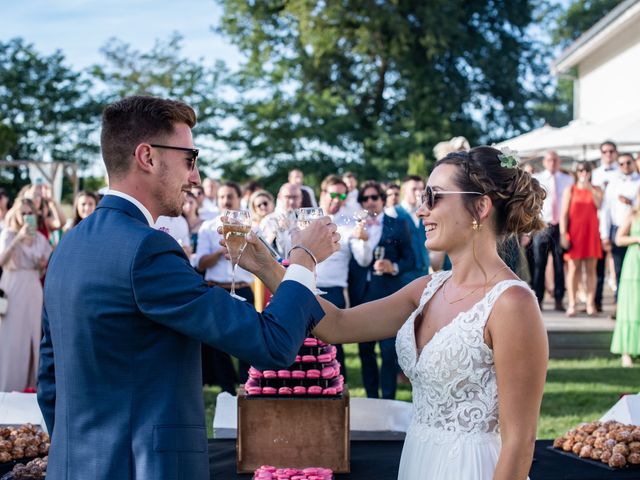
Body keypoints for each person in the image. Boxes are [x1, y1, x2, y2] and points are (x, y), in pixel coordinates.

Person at [37, 95, 340, 480]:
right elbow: (273, 345)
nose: (195, 177)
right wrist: (302, 260)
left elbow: (50, 382)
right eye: (189, 158)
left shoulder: (69, 245)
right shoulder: (146, 249)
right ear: (147, 157)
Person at [314, 146, 548, 480]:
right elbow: (335, 325)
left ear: (480, 207)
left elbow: (519, 443)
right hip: (419, 461)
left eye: (434, 197)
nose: (422, 210)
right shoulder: (427, 288)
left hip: (475, 470)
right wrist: (270, 263)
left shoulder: (512, 304)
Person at [348, 180, 414, 399]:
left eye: (374, 197)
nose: (370, 202)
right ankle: (370, 400)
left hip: (388, 297)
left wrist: (392, 266)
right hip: (362, 297)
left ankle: (388, 400)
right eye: (365, 199)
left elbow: (410, 259)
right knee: (365, 352)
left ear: (383, 200)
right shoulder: (355, 227)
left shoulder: (398, 224)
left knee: (388, 353)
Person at [315, 175, 372, 380]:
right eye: (333, 194)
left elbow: (364, 260)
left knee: (333, 350)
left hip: (333, 292)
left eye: (341, 195)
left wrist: (363, 240)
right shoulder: (305, 220)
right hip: (305, 287)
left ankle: (338, 391)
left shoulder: (349, 226)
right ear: (322, 194)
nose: (337, 199)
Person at [0, 198, 51, 392]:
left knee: (33, 338)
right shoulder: (8, 233)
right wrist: (18, 239)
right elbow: (2, 260)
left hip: (33, 288)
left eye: (30, 213)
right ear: (16, 214)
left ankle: (30, 387)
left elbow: (45, 266)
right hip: (12, 287)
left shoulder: (40, 238)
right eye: (23, 213)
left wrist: (40, 266)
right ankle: (7, 387)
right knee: (11, 339)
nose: (26, 216)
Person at [559, 162, 603, 317]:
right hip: (575, 234)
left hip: (591, 234)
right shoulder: (570, 190)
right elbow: (563, 214)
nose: (583, 172)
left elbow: (599, 205)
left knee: (591, 270)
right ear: (576, 172)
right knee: (573, 269)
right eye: (580, 170)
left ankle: (590, 303)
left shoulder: (596, 189)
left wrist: (589, 187)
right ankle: (572, 303)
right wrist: (563, 234)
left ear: (591, 172)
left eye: (586, 170)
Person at [532, 150, 574, 310]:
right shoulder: (538, 179)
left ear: (559, 162)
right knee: (539, 264)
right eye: (549, 160)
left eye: (555, 160)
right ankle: (538, 299)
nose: (552, 163)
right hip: (543, 225)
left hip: (561, 227)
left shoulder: (568, 179)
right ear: (544, 162)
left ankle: (559, 298)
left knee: (559, 264)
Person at [612, 192, 640, 367]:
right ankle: (626, 351)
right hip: (634, 263)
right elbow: (619, 238)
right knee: (631, 304)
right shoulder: (633, 214)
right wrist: (636, 238)